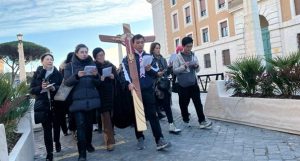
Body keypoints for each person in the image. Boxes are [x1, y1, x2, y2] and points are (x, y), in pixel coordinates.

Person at [120, 34, 170, 151]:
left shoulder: (149, 56)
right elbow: (124, 73)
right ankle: (140, 138)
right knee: (138, 115)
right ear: (133, 44)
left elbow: (156, 72)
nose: (140, 44)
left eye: (142, 42)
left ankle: (159, 139)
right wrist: (128, 84)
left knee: (153, 114)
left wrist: (149, 70)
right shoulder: (128, 58)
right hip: (135, 90)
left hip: (147, 89)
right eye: (137, 42)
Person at [64, 44, 101, 161]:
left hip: (91, 100)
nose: (84, 54)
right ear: (76, 53)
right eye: (82, 52)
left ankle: (89, 144)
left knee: (89, 126)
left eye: (86, 51)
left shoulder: (92, 64)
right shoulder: (69, 66)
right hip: (77, 102)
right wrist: (77, 76)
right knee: (80, 126)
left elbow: (98, 83)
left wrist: (96, 76)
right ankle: (82, 153)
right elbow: (67, 82)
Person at [173, 36, 212, 129]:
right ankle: (185, 119)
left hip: (193, 83)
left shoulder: (193, 55)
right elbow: (174, 70)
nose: (189, 48)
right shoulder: (178, 57)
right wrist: (183, 67)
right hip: (182, 85)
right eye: (187, 46)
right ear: (183, 46)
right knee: (183, 104)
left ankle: (202, 121)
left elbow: (198, 70)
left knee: (198, 103)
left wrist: (196, 66)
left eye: (191, 46)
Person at [30, 53, 63, 161]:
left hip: (56, 104)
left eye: (51, 59)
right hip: (43, 106)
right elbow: (31, 90)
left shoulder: (57, 73)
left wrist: (54, 88)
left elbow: (63, 87)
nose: (50, 61)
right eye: (47, 59)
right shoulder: (37, 74)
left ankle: (57, 142)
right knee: (47, 130)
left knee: (57, 127)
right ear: (42, 62)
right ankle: (49, 153)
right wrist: (41, 87)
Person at [150, 42, 181, 134]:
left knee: (167, 106)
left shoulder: (163, 59)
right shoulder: (150, 60)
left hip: (164, 85)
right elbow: (149, 73)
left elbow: (167, 73)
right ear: (152, 49)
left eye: (159, 48)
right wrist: (156, 73)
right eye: (156, 48)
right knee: (154, 108)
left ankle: (171, 125)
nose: (158, 50)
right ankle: (157, 131)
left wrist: (169, 68)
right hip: (154, 86)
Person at [92, 47, 116, 151]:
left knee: (111, 117)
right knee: (106, 118)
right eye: (98, 56)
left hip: (111, 93)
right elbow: (93, 82)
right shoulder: (93, 67)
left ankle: (111, 135)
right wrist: (99, 79)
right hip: (100, 95)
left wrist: (112, 76)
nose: (101, 57)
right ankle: (109, 142)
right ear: (95, 57)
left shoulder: (109, 64)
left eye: (102, 54)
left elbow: (116, 76)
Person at [59, 52, 76, 137]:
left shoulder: (75, 65)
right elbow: (65, 81)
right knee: (71, 113)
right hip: (68, 92)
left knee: (72, 113)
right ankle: (73, 130)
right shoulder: (65, 68)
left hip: (73, 92)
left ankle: (73, 130)